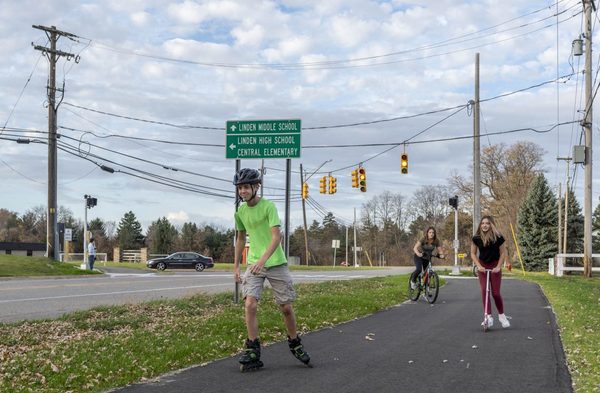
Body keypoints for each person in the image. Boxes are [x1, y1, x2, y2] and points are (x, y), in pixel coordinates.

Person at [233, 168, 310, 371]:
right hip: (254, 264)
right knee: (250, 304)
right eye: (240, 188)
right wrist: (236, 265)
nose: (243, 191)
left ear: (256, 187)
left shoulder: (268, 207)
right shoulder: (240, 212)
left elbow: (277, 237)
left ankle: (295, 343)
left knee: (285, 307)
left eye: (246, 187)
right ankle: (252, 349)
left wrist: (263, 260)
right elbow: (240, 238)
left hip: (275, 263)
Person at [470, 215, 510, 329]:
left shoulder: (498, 237)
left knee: (495, 293)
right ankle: (488, 316)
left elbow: (502, 253)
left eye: (487, 223)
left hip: (494, 266)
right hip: (482, 266)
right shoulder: (476, 238)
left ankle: (502, 316)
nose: (484, 225)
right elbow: (473, 253)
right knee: (484, 291)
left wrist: (498, 266)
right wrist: (478, 265)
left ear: (491, 224)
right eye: (482, 223)